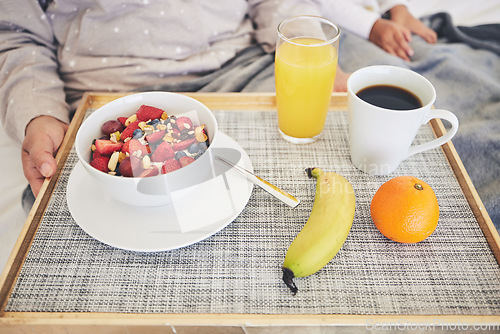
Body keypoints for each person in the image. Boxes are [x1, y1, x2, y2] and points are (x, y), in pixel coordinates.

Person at [0, 0, 349, 209]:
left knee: (306, 171)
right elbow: (15, 32)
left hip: (240, 65)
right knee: (52, 213)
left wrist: (310, 52)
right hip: (105, 91)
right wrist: (38, 115)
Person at [320, 0, 438, 61]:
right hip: (327, 25)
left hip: (384, 16)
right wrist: (370, 26)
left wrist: (397, 7)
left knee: (434, 54)